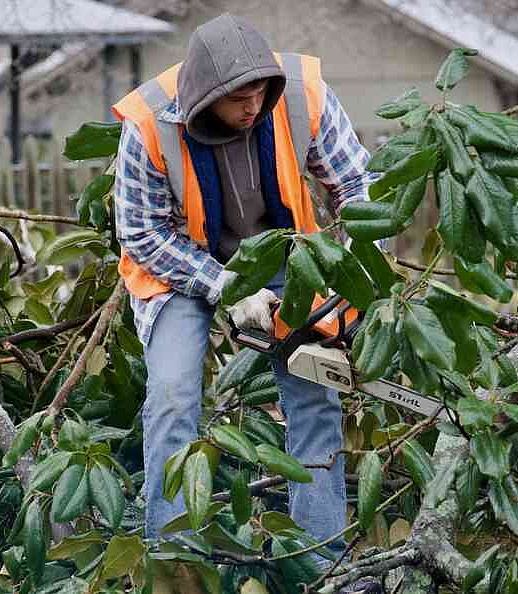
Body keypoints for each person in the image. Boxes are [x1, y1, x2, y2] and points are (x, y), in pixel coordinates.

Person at [112, 13, 381, 593]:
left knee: (315, 395)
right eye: (239, 99)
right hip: (179, 266)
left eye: (260, 92)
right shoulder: (149, 124)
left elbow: (357, 188)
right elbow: (140, 233)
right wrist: (226, 288)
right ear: (206, 97)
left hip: (286, 256)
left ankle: (320, 563)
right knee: (175, 397)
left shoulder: (304, 95)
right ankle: (173, 565)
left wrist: (353, 280)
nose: (253, 107)